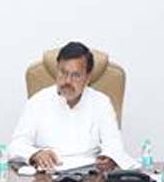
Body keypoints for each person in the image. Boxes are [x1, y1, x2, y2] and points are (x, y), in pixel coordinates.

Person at [9, 41, 136, 172]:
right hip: (47, 176)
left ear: (87, 78)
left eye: (75, 75)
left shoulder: (101, 103)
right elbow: (15, 146)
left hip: (89, 177)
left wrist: (110, 158)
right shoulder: (37, 102)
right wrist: (35, 154)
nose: (67, 81)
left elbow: (114, 146)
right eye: (63, 72)